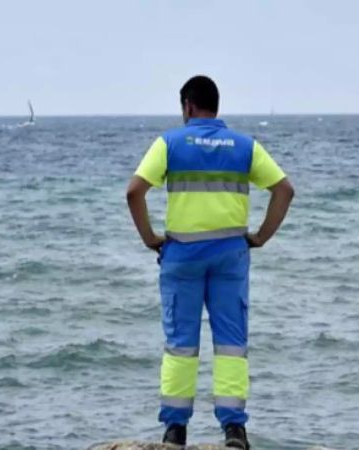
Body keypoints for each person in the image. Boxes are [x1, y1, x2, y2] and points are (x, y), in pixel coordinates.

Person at [126, 75, 294, 449]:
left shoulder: (169, 143)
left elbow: (134, 191)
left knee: (181, 345)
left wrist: (150, 239)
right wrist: (261, 237)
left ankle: (175, 430)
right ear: (215, 106)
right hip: (230, 256)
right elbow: (284, 189)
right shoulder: (244, 146)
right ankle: (234, 430)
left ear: (188, 106)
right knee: (231, 344)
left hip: (181, 255)